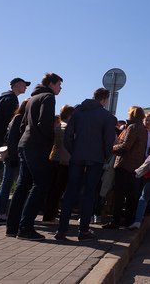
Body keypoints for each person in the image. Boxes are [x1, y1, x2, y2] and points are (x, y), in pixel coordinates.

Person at [6, 73, 62, 241]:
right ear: (51, 84)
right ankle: (25, 229)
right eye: (59, 84)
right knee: (41, 184)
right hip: (37, 147)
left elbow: (24, 124)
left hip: (24, 144)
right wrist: (50, 141)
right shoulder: (48, 97)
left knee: (23, 186)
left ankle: (12, 227)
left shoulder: (31, 99)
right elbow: (44, 123)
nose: (60, 88)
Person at [55, 88, 116, 241]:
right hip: (96, 159)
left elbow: (68, 136)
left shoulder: (77, 112)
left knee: (70, 192)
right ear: (105, 99)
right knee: (89, 194)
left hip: (77, 157)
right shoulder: (107, 116)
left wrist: (74, 151)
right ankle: (83, 231)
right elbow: (109, 141)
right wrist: (104, 155)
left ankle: (61, 231)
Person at [103, 106, 147, 229]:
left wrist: (112, 148)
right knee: (131, 196)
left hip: (124, 165)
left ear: (132, 114)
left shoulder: (132, 128)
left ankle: (116, 220)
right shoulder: (143, 129)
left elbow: (126, 146)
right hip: (135, 166)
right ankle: (128, 220)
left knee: (119, 195)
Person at [0, 99, 28, 222]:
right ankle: (1, 213)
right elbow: (12, 139)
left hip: (12, 155)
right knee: (7, 184)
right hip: (13, 156)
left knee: (5, 183)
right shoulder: (20, 118)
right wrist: (14, 157)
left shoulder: (16, 118)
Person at [43, 105, 75, 223]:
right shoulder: (67, 128)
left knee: (53, 189)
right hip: (64, 161)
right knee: (58, 190)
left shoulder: (58, 126)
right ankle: (50, 216)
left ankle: (49, 215)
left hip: (54, 158)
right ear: (69, 115)